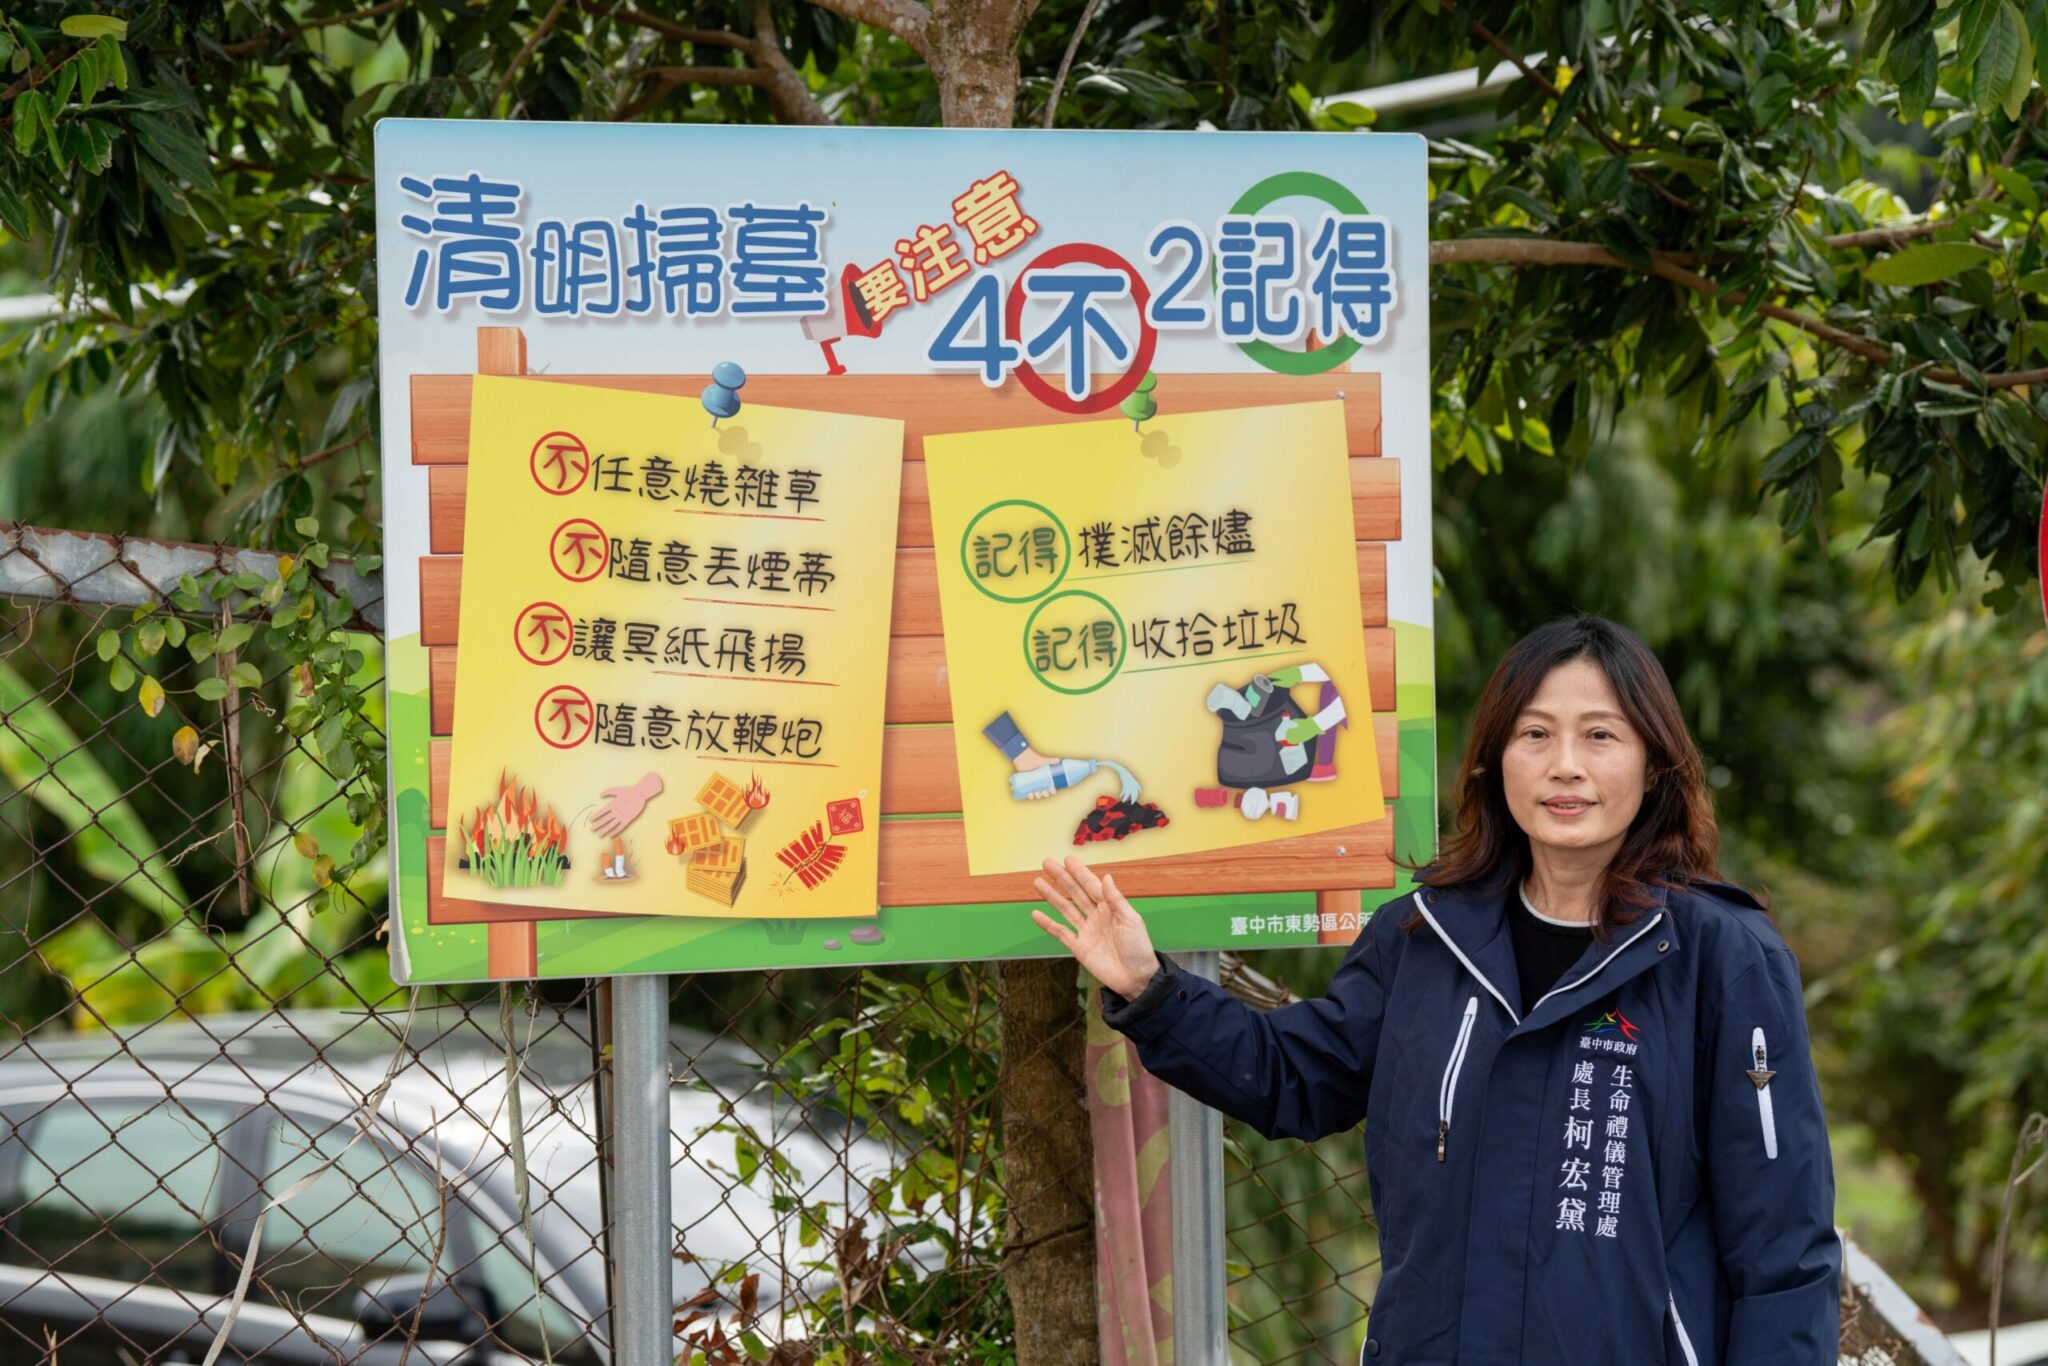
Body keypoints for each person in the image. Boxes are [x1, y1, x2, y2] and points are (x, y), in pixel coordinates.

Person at [1031, 615, 1840, 1365]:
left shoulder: (1719, 958)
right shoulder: (1425, 938)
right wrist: (1150, 989)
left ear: (1654, 763)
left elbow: (1783, 1245)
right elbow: (1296, 1078)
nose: (1566, 765)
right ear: (1494, 760)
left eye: (1601, 735)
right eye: (1535, 734)